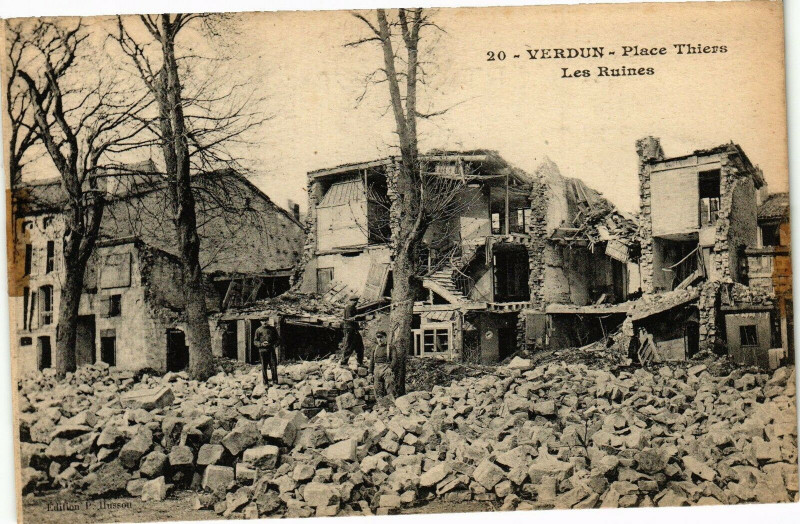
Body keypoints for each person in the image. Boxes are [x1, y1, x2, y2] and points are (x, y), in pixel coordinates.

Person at [370, 329, 395, 399]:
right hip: (377, 369)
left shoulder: (390, 347)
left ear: (385, 338)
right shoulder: (375, 348)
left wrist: (390, 368)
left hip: (386, 368)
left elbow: (394, 359)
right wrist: (370, 373)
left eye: (381, 337)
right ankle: (380, 405)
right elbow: (371, 361)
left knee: (389, 383)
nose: (379, 339)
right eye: (378, 338)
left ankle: (391, 401)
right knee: (377, 388)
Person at [339, 296, 364, 366]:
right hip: (350, 329)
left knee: (360, 346)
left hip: (355, 330)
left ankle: (360, 362)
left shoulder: (353, 308)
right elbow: (349, 319)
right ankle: (344, 362)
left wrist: (361, 317)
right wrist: (357, 317)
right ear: (350, 301)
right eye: (354, 301)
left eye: (356, 301)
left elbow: (355, 318)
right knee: (349, 346)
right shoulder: (349, 307)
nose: (355, 303)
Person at [253, 321, 280, 386]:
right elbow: (255, 341)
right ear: (260, 321)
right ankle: (265, 383)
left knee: (273, 365)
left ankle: (275, 382)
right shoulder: (258, 330)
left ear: (268, 321)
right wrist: (261, 344)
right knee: (264, 366)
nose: (264, 322)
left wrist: (274, 345)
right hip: (262, 350)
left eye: (265, 321)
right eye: (262, 321)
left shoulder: (273, 329)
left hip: (271, 350)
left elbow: (278, 339)